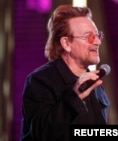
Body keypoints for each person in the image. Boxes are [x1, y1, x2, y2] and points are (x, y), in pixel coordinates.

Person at [20, 5, 110, 141]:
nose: (97, 41)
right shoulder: (39, 81)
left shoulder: (95, 83)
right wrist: (74, 97)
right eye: (89, 37)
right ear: (66, 43)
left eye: (98, 35)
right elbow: (41, 134)